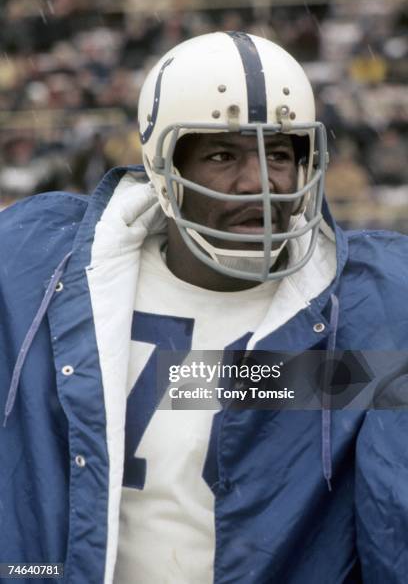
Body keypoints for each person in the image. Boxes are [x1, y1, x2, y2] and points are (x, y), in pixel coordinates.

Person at [1, 31, 408, 584]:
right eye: (222, 154)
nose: (261, 183)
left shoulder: (366, 303)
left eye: (281, 153)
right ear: (164, 169)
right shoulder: (45, 264)